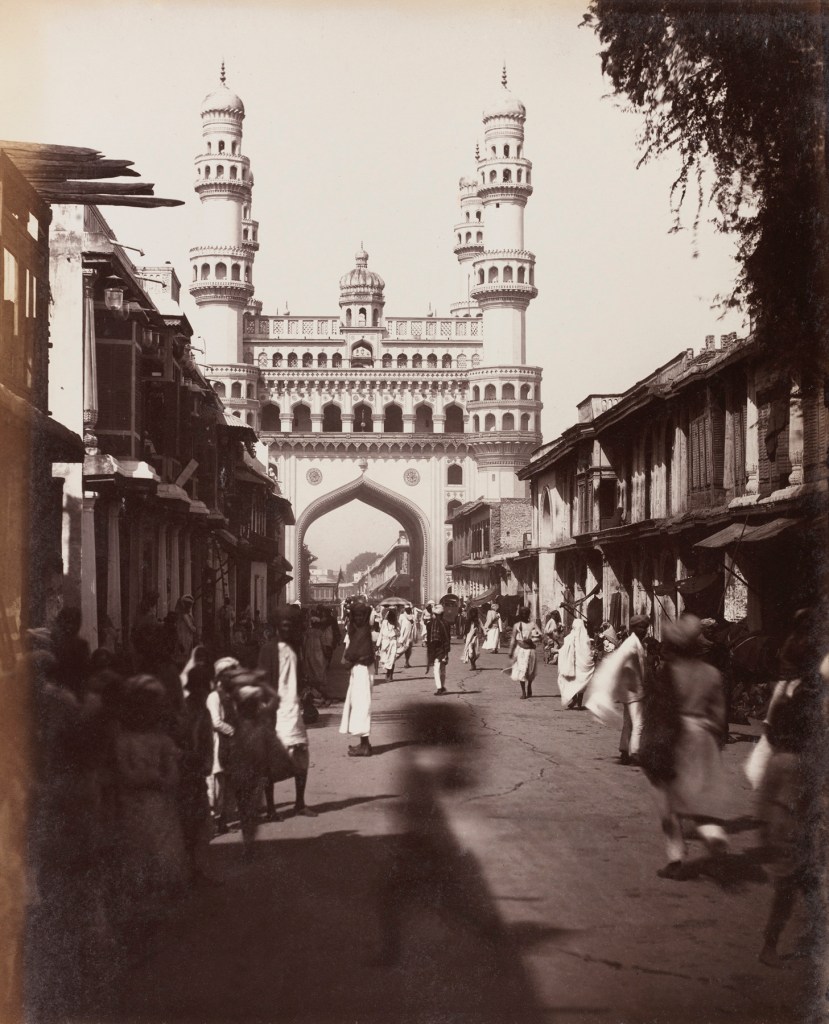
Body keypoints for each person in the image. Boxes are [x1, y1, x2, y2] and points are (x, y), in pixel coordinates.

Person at [755, 609, 826, 967]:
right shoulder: (811, 694)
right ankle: (777, 941)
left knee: (798, 883)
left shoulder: (785, 695)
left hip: (788, 811)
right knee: (803, 881)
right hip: (800, 813)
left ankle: (776, 941)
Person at [637, 615, 730, 879]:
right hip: (704, 738)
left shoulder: (667, 673)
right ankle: (714, 838)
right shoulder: (713, 674)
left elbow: (653, 710)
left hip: (672, 738)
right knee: (700, 800)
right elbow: (719, 716)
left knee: (666, 800)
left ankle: (676, 858)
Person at [267, 606, 317, 816]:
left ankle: (299, 803)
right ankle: (270, 808)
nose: (288, 630)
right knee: (270, 761)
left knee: (301, 755)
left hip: (293, 710)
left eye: (291, 626)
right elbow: (263, 681)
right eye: (284, 626)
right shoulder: (269, 650)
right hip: (276, 712)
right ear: (277, 627)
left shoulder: (295, 648)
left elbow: (298, 677)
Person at [584, 615, 648, 754]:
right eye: (640, 627)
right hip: (633, 689)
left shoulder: (634, 642)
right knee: (639, 722)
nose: (644, 630)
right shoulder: (631, 644)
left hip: (630, 689)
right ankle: (635, 752)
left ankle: (624, 749)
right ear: (633, 628)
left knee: (629, 721)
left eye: (645, 628)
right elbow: (617, 663)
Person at [207, 656, 238, 834]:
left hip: (230, 745)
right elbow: (216, 721)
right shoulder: (214, 696)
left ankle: (223, 822)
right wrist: (233, 730)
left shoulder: (231, 695)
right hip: (219, 743)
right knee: (216, 786)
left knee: (228, 784)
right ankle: (211, 820)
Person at [341, 602, 376, 756]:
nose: (359, 618)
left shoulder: (363, 632)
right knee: (359, 704)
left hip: (362, 670)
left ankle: (365, 746)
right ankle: (364, 743)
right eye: (356, 615)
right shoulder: (357, 630)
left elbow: (354, 654)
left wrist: (349, 659)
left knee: (361, 705)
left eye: (362, 615)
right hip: (359, 670)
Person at [557, 618, 595, 711]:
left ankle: (576, 701)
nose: (574, 630)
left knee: (574, 682)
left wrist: (558, 651)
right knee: (580, 683)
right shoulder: (584, 638)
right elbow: (588, 653)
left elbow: (565, 649)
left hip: (576, 665)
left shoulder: (573, 637)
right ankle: (577, 702)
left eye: (575, 628)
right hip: (578, 665)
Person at [509, 606, 539, 699]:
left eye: (526, 613)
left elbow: (540, 635)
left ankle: (529, 685)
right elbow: (513, 639)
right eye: (523, 613)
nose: (525, 615)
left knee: (530, 670)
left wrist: (532, 640)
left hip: (530, 650)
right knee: (522, 670)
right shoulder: (518, 625)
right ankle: (523, 692)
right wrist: (511, 650)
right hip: (522, 650)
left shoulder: (533, 624)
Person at [427, 603, 451, 696]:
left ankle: (439, 688)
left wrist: (430, 653)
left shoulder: (430, 624)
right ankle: (442, 686)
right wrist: (447, 651)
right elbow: (447, 638)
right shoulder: (446, 623)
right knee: (442, 668)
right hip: (444, 648)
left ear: (434, 614)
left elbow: (430, 640)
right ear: (442, 614)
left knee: (436, 669)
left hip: (436, 649)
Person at [175, 595, 197, 664]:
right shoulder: (185, 615)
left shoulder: (186, 615)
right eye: (189, 605)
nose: (190, 607)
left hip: (186, 637)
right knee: (184, 654)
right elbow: (191, 627)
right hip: (184, 637)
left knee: (186, 654)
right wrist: (194, 628)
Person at [378, 609, 400, 681]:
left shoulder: (396, 623)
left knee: (392, 659)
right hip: (385, 642)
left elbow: (399, 634)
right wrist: (378, 644)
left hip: (393, 642)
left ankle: (390, 675)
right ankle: (388, 672)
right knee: (385, 659)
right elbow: (381, 633)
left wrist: (396, 629)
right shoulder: (384, 622)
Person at [462, 606, 484, 671]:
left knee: (477, 653)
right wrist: (465, 636)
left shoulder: (478, 620)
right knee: (470, 652)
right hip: (469, 637)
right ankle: (472, 664)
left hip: (475, 637)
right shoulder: (468, 620)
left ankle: (473, 663)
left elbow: (482, 627)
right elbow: (465, 630)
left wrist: (485, 634)